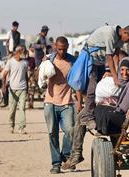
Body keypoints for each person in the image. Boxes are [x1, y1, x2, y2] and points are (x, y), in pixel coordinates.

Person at [69, 24, 129, 168]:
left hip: (121, 112)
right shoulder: (109, 34)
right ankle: (76, 153)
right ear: (125, 32)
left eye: (127, 70)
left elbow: (114, 55)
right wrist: (114, 77)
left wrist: (117, 75)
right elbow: (110, 57)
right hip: (92, 60)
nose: (127, 42)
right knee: (87, 101)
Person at [43, 37, 76, 174]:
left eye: (64, 49)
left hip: (67, 102)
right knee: (52, 133)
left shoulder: (73, 61)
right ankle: (56, 163)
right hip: (50, 102)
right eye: (59, 49)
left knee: (70, 130)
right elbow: (37, 76)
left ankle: (65, 154)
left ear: (68, 47)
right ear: (55, 47)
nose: (62, 51)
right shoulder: (49, 59)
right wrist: (44, 66)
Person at [2, 45, 28, 134]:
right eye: (22, 52)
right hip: (13, 89)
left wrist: (27, 87)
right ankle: (11, 126)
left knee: (22, 108)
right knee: (12, 109)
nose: (24, 54)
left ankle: (21, 127)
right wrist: (4, 86)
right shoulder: (10, 62)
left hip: (23, 88)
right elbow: (4, 74)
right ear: (18, 52)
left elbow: (26, 76)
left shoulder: (25, 63)